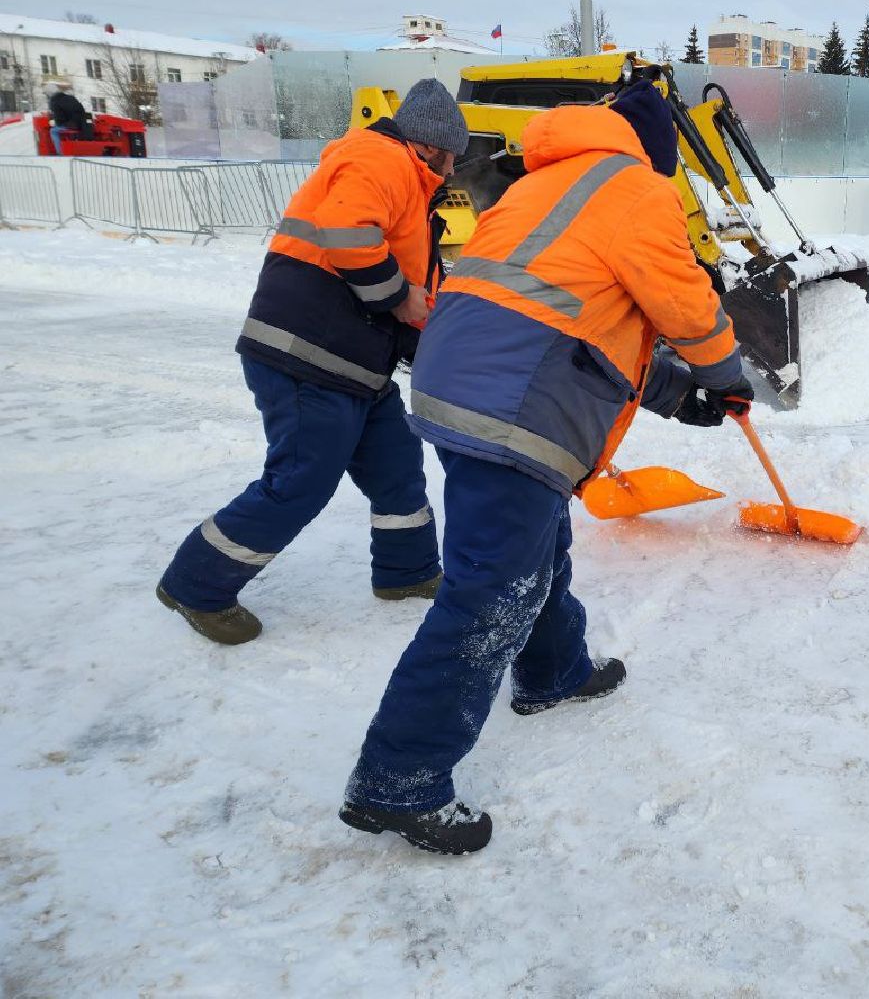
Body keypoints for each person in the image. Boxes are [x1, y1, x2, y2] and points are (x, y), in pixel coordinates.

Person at [338, 80, 754, 855]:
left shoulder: (548, 184)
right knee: (488, 592)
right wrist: (726, 374)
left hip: (468, 375)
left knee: (536, 543)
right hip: (513, 396)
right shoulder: (637, 190)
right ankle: (400, 779)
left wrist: (681, 397)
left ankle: (554, 670)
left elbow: (588, 319)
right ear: (658, 153)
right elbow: (683, 305)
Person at [157, 79, 470, 645]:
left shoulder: (402, 178)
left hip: (355, 366)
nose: (451, 174)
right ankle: (195, 584)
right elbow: (350, 238)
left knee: (396, 468)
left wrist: (434, 337)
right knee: (302, 479)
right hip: (307, 357)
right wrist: (401, 298)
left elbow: (407, 280)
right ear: (432, 148)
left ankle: (408, 574)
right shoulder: (380, 158)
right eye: (451, 161)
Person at [44, 82, 88, 154]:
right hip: (82, 123)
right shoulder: (70, 97)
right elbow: (81, 109)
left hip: (72, 125)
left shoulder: (54, 101)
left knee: (53, 131)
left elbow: (59, 118)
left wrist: (56, 123)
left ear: (49, 93)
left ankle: (60, 152)